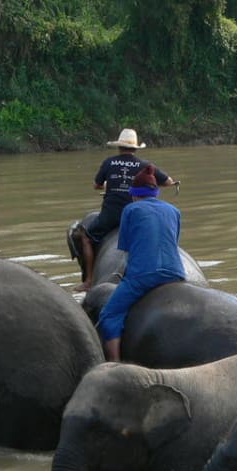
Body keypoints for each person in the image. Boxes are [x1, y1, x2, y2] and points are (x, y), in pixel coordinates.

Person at [97, 165, 185, 362]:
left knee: (109, 315)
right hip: (176, 273)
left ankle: (115, 364)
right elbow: (174, 243)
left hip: (143, 276)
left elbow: (125, 248)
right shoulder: (174, 211)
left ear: (135, 195)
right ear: (156, 193)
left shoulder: (130, 210)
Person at [74, 128, 178, 291]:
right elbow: (168, 181)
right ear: (135, 148)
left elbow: (96, 185)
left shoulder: (109, 162)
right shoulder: (145, 165)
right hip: (138, 213)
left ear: (119, 147)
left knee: (86, 237)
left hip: (111, 215)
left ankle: (88, 281)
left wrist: (109, 184)